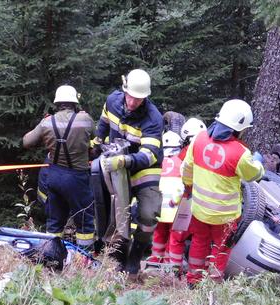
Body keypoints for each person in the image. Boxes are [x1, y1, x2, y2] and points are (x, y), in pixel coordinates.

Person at [181, 100, 264, 287]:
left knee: (199, 243)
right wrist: (258, 162)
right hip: (225, 217)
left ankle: (193, 281)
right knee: (222, 248)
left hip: (200, 210)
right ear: (240, 127)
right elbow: (253, 175)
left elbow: (186, 169)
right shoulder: (241, 153)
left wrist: (188, 187)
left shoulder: (198, 139)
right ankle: (213, 285)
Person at [95, 69, 163, 274]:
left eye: (139, 99)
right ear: (124, 90)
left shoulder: (153, 118)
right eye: (131, 96)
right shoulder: (112, 101)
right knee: (115, 213)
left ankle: (137, 254)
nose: (133, 102)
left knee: (149, 214)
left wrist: (125, 160)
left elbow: (149, 155)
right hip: (117, 166)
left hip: (144, 169)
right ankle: (118, 257)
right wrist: (96, 143)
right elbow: (103, 124)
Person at [23, 85, 95, 250]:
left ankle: (52, 256)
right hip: (78, 178)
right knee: (84, 221)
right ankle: (86, 259)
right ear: (75, 103)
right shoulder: (85, 119)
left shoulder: (47, 122)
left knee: (55, 222)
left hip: (54, 177)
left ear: (57, 103)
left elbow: (26, 142)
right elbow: (97, 139)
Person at [148, 118, 207, 273]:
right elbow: (185, 185)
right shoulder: (183, 161)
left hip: (159, 210)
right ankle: (172, 270)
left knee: (159, 235)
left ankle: (155, 263)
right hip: (177, 210)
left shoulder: (160, 162)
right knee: (176, 240)